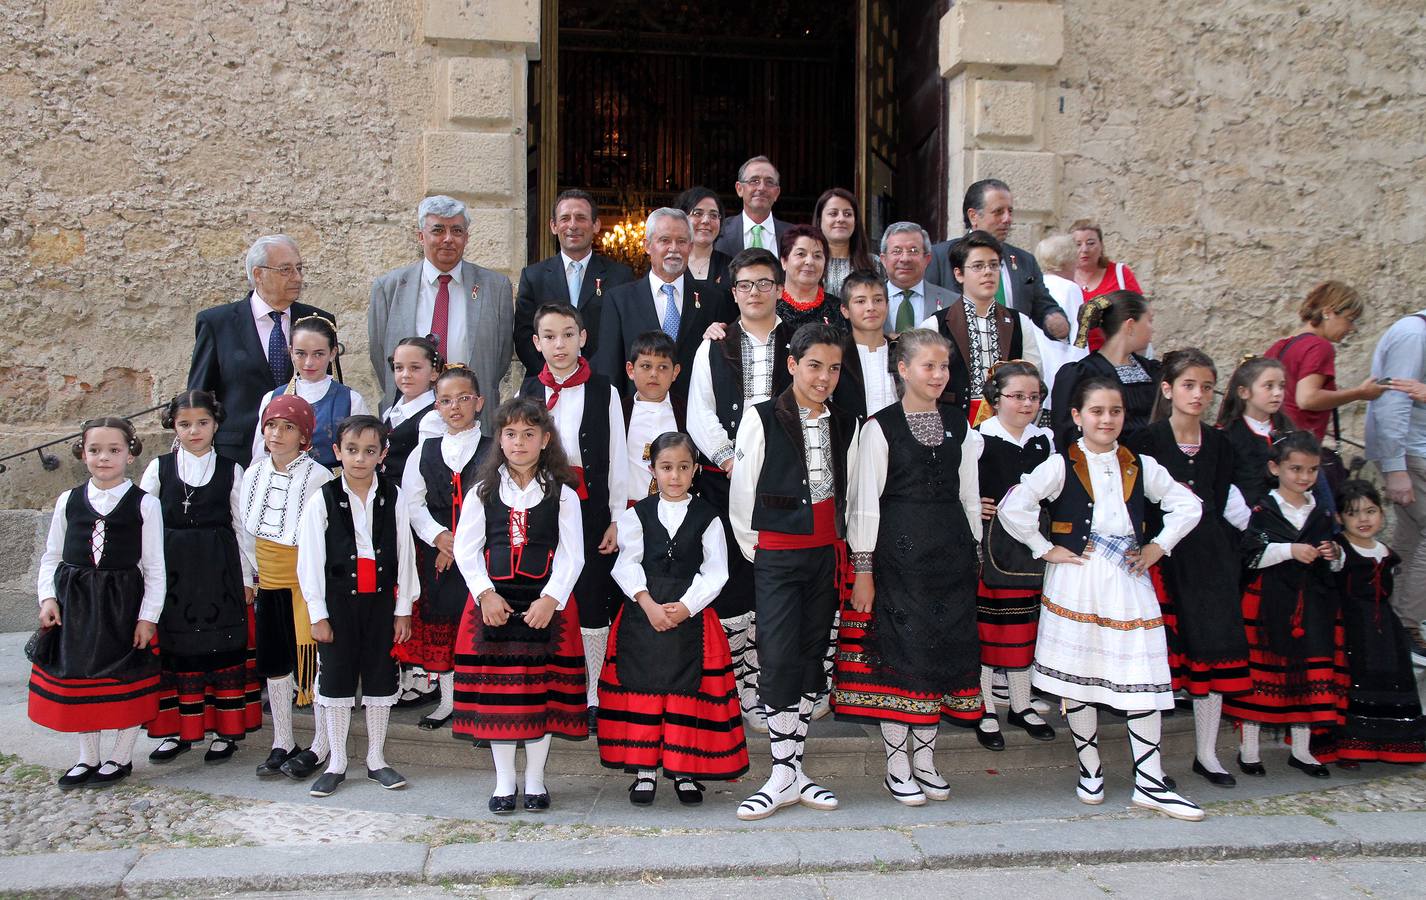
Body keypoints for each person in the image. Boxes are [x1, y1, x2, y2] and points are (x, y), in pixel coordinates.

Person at [996, 377, 1205, 820]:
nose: (1106, 419)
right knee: (1080, 677)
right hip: (1078, 577)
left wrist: (1158, 546)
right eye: (1096, 411)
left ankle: (1150, 779)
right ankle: (1089, 766)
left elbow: (1189, 506)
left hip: (1127, 578)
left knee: (1143, 675)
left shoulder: (1141, 465)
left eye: (1114, 411)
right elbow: (1016, 505)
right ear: (1076, 417)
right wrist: (1044, 547)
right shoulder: (1060, 464)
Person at [834, 329, 984, 806]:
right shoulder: (880, 427)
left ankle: (926, 760)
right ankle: (897, 764)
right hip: (898, 559)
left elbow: (967, 491)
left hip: (950, 558)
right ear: (902, 370)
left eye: (944, 367)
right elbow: (863, 502)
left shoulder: (960, 424)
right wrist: (864, 568)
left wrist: (974, 552)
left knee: (938, 658)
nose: (938, 375)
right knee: (901, 661)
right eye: (928, 366)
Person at [730, 323, 859, 821]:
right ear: (791, 365)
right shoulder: (762, 418)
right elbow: (743, 494)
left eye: (832, 368)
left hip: (823, 555)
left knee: (810, 657)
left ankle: (795, 770)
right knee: (779, 656)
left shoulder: (844, 422)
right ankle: (780, 772)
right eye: (814, 366)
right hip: (777, 554)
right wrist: (758, 551)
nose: (823, 377)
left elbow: (847, 494)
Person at [452, 397, 588, 814]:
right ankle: (504, 781)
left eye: (529, 434)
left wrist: (552, 598)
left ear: (545, 439)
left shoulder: (563, 494)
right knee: (501, 699)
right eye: (510, 434)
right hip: (495, 606)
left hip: (545, 607)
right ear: (500, 440)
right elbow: (465, 549)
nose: (519, 442)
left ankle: (536, 780)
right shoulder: (483, 492)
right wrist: (484, 593)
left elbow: (573, 554)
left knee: (539, 698)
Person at [599, 432, 749, 804]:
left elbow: (717, 571)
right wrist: (648, 604)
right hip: (642, 614)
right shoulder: (636, 516)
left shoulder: (708, 516)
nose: (675, 476)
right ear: (653, 469)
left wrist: (686, 606)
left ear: (696, 470)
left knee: (685, 695)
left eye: (684, 467)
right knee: (644, 692)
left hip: (691, 618)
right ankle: (645, 770)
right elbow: (625, 565)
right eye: (666, 468)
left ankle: (684, 769)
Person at [1127, 350, 1253, 788]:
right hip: (1164, 558)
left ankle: (1206, 753)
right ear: (1168, 389)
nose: (1198, 394)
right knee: (1163, 660)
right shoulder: (1147, 442)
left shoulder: (1219, 443)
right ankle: (1152, 759)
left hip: (1210, 559)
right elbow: (1140, 505)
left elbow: (1216, 502)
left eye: (1206, 387)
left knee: (1213, 653)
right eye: (1189, 385)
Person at [688, 247, 794, 734]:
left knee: (776, 582)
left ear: (780, 286)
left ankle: (771, 681)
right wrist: (728, 458)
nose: (755, 293)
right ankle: (737, 685)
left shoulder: (799, 340)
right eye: (745, 285)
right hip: (727, 480)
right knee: (734, 583)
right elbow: (699, 410)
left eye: (765, 283)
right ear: (733, 292)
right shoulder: (715, 344)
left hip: (786, 482)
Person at [29, 417, 164, 789]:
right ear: (82, 453)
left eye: (114, 450)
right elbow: (51, 555)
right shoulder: (68, 500)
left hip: (122, 604)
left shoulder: (145, 505)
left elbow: (154, 567)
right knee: (80, 677)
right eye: (95, 450)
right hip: (76, 605)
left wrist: (147, 617)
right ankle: (88, 756)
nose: (104, 458)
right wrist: (48, 597)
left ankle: (120, 755)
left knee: (122, 679)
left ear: (130, 454)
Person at [297, 415, 419, 797]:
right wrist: (318, 614)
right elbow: (310, 560)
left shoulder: (394, 497)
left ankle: (376, 759)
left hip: (381, 600)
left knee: (381, 676)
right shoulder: (324, 498)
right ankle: (336, 761)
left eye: (369, 451)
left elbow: (406, 552)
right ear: (337, 452)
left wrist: (403, 608)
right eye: (352, 450)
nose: (360, 459)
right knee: (335, 678)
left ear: (383, 454)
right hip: (337, 603)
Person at [520, 303, 627, 733]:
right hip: (540, 509)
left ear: (583, 337)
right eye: (549, 336)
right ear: (536, 343)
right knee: (540, 594)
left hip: (590, 508)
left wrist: (617, 517)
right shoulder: (526, 390)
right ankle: (539, 690)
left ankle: (594, 693)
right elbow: (515, 452)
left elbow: (618, 457)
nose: (559, 344)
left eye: (567, 334)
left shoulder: (605, 391)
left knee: (591, 598)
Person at [141, 391, 261, 765]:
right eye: (185, 424)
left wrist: (247, 576)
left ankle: (226, 731)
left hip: (218, 571)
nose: (195, 431)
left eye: (203, 423)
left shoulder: (231, 470)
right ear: (173, 427)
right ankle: (178, 730)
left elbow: (242, 527)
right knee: (177, 651)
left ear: (216, 424)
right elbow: (142, 523)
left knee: (221, 648)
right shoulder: (158, 469)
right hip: (173, 571)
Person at [1223, 431, 1346, 780]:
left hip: (1311, 605)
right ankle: (1249, 750)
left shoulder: (1321, 510)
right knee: (1262, 675)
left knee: (1306, 675)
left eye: (1311, 470)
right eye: (1296, 469)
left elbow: (1335, 552)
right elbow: (1250, 555)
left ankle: (1303, 751)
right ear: (1275, 468)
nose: (1304, 477)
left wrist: (1332, 554)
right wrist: (1290, 550)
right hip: (1267, 604)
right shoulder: (1263, 510)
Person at [238, 396, 335, 781]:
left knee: (313, 664)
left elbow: (323, 539)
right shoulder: (253, 473)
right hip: (270, 580)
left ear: (304, 435)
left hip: (305, 582)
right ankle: (282, 740)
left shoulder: (318, 477)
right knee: (276, 664)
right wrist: (252, 575)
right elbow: (246, 531)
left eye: (288, 427)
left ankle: (322, 742)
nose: (277, 434)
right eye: (272, 426)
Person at [369, 195, 514, 438]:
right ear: (420, 236)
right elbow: (380, 354)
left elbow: (500, 358)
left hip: (473, 424)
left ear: (466, 237)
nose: (448, 238)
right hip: (408, 424)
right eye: (438, 230)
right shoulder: (389, 288)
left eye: (457, 230)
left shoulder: (495, 287)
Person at [188, 234, 333, 468]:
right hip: (237, 456)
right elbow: (199, 397)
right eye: (285, 270)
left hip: (307, 455)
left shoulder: (318, 321)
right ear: (258, 274)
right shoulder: (217, 323)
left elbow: (328, 385)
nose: (297, 277)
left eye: (299, 268)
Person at [396, 365, 489, 730]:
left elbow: (497, 502)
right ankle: (448, 700)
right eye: (446, 400)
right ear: (436, 406)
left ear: (478, 402)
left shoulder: (494, 449)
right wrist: (438, 537)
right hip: (438, 555)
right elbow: (413, 503)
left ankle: (479, 702)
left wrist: (462, 543)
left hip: (479, 555)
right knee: (444, 623)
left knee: (478, 627)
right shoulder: (425, 450)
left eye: (464, 398)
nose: (455, 407)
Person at [973, 361, 1057, 752]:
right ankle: (986, 705)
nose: (1027, 404)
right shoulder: (978, 439)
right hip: (992, 548)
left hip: (1034, 545)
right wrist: (976, 506)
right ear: (996, 398)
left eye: (1034, 397)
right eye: (1017, 396)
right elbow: (962, 489)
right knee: (991, 630)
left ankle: (1021, 704)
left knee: (1026, 627)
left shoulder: (1046, 442)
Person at [1331, 480, 1426, 763]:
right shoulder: (1339, 550)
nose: (1363, 519)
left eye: (1370, 511)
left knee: (1388, 680)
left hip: (1385, 629)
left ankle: (1389, 743)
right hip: (1352, 626)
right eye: (1353, 513)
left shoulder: (1385, 552)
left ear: (1382, 514)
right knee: (1356, 681)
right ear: (1339, 518)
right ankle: (1350, 746)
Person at [595, 208, 733, 401]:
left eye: (682, 241)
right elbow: (610, 370)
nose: (674, 248)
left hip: (693, 418)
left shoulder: (713, 299)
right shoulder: (619, 300)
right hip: (637, 418)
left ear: (691, 246)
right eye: (665, 240)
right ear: (647, 246)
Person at [924, 180, 1070, 339]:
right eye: (999, 212)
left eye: (1010, 211)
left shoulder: (1024, 261)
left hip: (1012, 356)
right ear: (973, 216)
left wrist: (1055, 320)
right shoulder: (940, 257)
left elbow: (1043, 306)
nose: (1007, 219)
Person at [514, 189, 637, 375]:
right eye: (565, 219)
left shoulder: (620, 276)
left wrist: (590, 375)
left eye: (581, 218)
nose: (573, 225)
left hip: (601, 384)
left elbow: (623, 336)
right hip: (547, 386)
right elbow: (524, 336)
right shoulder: (533, 277)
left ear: (596, 225)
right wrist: (554, 375)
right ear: (554, 226)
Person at [922, 230, 1039, 423]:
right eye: (978, 266)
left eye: (994, 265)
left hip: (1008, 426)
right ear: (959, 274)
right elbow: (922, 382)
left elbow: (1034, 375)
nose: (988, 272)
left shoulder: (1020, 322)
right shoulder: (936, 324)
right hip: (953, 424)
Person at [1365, 308, 1426, 663]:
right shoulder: (1415, 335)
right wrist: (1394, 466)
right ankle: (1403, 625)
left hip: (1412, 450)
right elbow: (1393, 401)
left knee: (1411, 535)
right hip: (1411, 451)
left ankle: (1393, 623)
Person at [1266, 281, 1386, 443]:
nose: (1352, 328)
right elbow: (1307, 399)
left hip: (1272, 438)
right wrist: (1360, 393)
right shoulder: (1320, 347)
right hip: (1297, 446)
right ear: (1328, 312)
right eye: (1350, 319)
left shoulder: (1281, 345)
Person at [250, 315, 370, 468]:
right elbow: (261, 456)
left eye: (318, 354)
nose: (309, 362)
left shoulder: (351, 400)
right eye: (301, 353)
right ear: (291, 352)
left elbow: (363, 452)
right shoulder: (272, 398)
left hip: (331, 487)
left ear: (333, 353)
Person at [1050, 291, 1160, 448]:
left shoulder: (1152, 370)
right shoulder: (1082, 375)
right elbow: (1067, 436)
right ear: (1130, 325)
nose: (1152, 329)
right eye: (1149, 320)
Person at [1216, 356, 1294, 509]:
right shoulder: (1226, 435)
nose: (1277, 393)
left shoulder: (1289, 431)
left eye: (1281, 386)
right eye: (1269, 386)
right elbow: (1223, 487)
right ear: (1244, 392)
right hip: (1243, 521)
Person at [622, 331, 687, 506]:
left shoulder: (687, 412)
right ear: (631, 370)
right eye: (645, 366)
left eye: (663, 367)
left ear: (675, 372)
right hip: (630, 510)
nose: (654, 374)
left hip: (677, 509)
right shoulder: (618, 412)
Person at [831, 270, 898, 422]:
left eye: (878, 300)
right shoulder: (837, 354)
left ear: (887, 306)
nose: (870, 307)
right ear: (845, 310)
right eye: (861, 301)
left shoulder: (901, 350)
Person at [1032, 234, 1088, 409]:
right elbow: (1080, 336)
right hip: (1062, 370)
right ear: (1066, 261)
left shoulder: (1032, 284)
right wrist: (1083, 374)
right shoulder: (1070, 289)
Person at [1070, 219, 1142, 351]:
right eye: (1078, 244)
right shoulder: (1064, 279)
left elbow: (1140, 310)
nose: (1084, 249)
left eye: (1091, 243)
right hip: (1077, 356)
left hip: (1117, 354)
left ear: (1101, 245)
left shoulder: (1120, 273)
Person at [381, 337, 444, 480]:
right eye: (399, 368)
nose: (405, 375)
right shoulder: (390, 413)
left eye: (415, 368)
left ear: (434, 372)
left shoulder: (434, 417)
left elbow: (426, 470)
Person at [881, 222, 957, 335]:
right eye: (897, 251)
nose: (905, 259)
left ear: (927, 259)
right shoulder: (866, 303)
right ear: (883, 259)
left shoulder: (953, 303)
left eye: (913, 251)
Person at [714, 156, 791, 257]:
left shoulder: (792, 236)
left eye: (769, 182)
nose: (761, 188)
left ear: (777, 193)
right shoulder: (719, 231)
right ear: (739, 189)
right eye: (754, 181)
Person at [816, 188, 883, 298]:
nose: (841, 219)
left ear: (855, 221)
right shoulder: (808, 263)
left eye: (847, 214)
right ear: (819, 220)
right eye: (833, 213)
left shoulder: (874, 264)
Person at [777, 225, 844, 331]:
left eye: (817, 256)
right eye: (801, 254)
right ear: (784, 261)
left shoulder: (839, 309)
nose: (809, 261)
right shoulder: (769, 306)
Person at [675, 186, 733, 285]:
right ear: (683, 219)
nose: (706, 221)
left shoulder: (732, 266)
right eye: (698, 213)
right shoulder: (671, 263)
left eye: (713, 215)